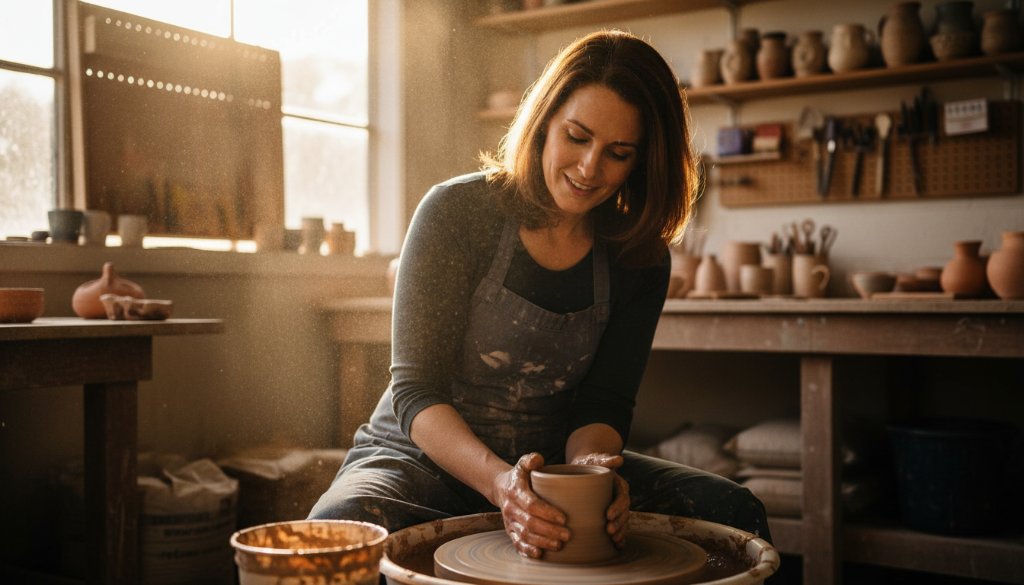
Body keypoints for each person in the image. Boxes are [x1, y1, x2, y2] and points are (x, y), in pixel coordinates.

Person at [309, 29, 770, 557]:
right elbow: (417, 391)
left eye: (618, 153)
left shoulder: (637, 256)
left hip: (551, 466)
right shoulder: (456, 213)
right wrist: (501, 485)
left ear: (642, 163)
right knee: (336, 535)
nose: (590, 168)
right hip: (421, 458)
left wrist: (593, 473)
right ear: (545, 121)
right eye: (577, 137)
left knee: (736, 513)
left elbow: (603, 402)